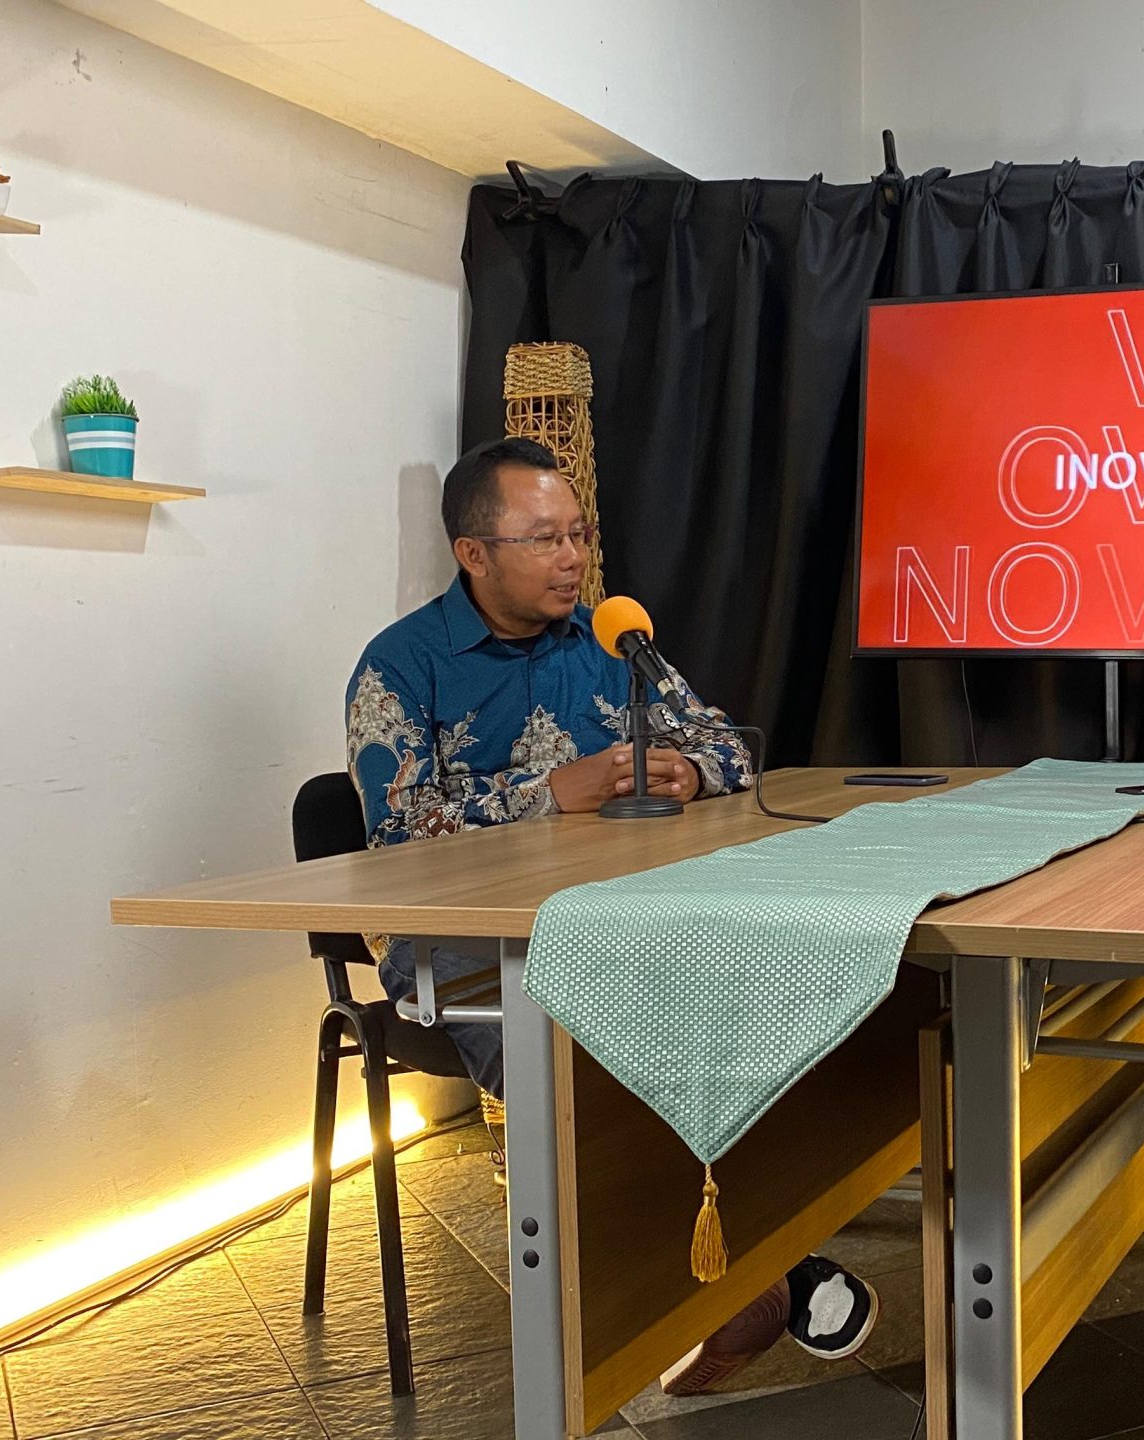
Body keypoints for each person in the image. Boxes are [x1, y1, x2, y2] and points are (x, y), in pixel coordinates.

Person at [343, 436, 877, 1394]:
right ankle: (742, 1278)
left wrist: (692, 771)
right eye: (544, 539)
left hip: (616, 918)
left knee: (754, 988)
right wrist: (553, 792)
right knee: (571, 1048)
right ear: (474, 553)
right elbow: (395, 830)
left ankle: (736, 1269)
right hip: (462, 942)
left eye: (579, 535)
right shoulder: (400, 665)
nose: (572, 559)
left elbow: (729, 744)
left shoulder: (613, 641)